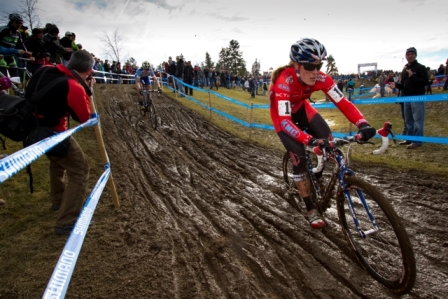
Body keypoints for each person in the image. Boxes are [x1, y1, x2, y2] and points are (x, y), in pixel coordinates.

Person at [269, 38, 376, 229]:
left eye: (318, 65)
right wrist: (309, 140)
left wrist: (363, 123)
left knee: (329, 141)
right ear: (296, 65)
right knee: (299, 158)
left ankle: (318, 177)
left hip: (302, 108)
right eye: (309, 66)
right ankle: (310, 208)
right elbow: (285, 121)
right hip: (282, 118)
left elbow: (343, 102)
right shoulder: (284, 81)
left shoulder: (321, 78)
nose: (315, 72)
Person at [24, 50, 95, 235]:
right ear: (88, 71)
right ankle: (68, 221)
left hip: (32, 128)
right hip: (54, 132)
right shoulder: (74, 86)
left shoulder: (43, 70)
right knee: (80, 170)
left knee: (57, 164)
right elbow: (84, 117)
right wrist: (87, 89)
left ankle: (58, 201)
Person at [391, 47, 428, 149]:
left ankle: (417, 141)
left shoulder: (421, 67)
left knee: (418, 120)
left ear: (415, 55)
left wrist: (413, 76)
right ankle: (409, 139)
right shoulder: (405, 68)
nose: (410, 56)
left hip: (417, 97)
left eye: (412, 54)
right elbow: (403, 84)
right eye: (408, 54)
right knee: (408, 120)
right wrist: (396, 85)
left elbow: (425, 82)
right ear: (406, 56)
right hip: (406, 97)